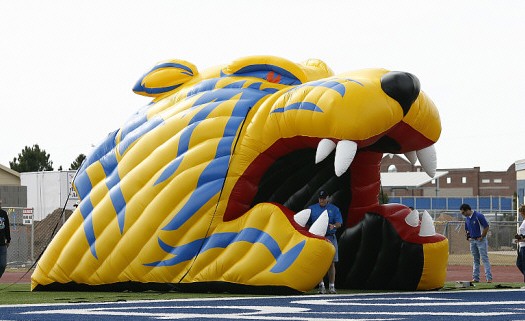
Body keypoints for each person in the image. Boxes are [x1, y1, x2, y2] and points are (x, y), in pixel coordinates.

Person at [307, 190, 343, 294]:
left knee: (331, 262)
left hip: (330, 237)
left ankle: (331, 286)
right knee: (318, 262)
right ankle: (321, 285)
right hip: (317, 237)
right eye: (320, 198)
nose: (321, 200)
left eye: (323, 198)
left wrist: (334, 226)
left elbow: (339, 223)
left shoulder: (334, 209)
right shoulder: (312, 208)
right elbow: (307, 223)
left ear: (328, 198)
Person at [460, 203, 492, 283]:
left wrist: (482, 236)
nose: (463, 215)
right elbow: (467, 229)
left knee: (484, 258)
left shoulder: (478, 216)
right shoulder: (467, 219)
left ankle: (489, 278)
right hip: (473, 241)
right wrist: (468, 236)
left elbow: (486, 226)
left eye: (463, 212)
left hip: (480, 240)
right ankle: (475, 278)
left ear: (467, 210)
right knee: (475, 259)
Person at [0, 200, 11, 278]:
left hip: (2, 244)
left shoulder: (3, 213)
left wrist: (8, 239)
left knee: (3, 265)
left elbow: (7, 227)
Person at [515, 205, 525, 286]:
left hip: (524, 247)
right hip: (521, 246)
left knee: (523, 265)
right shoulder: (524, 221)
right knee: (519, 264)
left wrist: (522, 239)